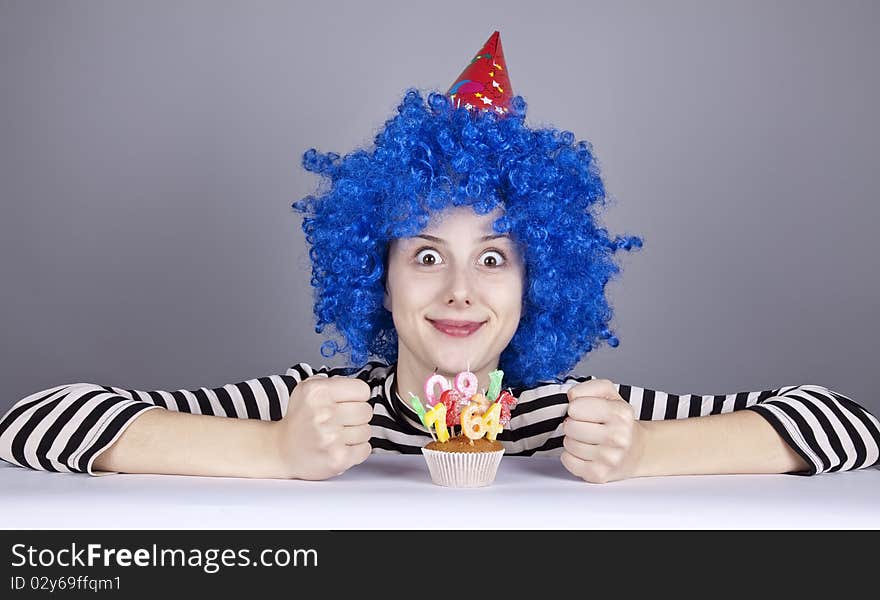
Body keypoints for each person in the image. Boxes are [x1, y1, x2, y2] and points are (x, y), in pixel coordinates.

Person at [1, 33, 877, 483]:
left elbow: (851, 425)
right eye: (427, 254)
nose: (460, 289)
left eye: (494, 260)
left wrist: (644, 455)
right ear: (378, 274)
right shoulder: (315, 407)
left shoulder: (569, 417)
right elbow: (31, 423)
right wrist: (273, 451)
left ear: (538, 282)